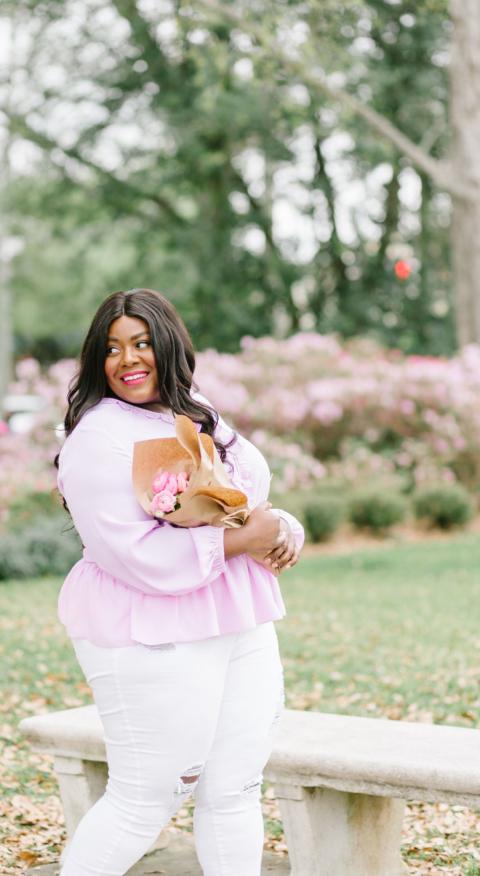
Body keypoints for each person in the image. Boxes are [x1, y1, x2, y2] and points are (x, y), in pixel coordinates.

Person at [56, 289, 305, 876]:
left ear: (168, 347)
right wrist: (239, 542)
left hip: (236, 616)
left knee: (235, 788)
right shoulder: (98, 438)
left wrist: (281, 526)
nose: (128, 359)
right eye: (112, 348)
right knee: (147, 796)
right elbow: (128, 554)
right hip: (153, 625)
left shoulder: (196, 411)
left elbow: (247, 495)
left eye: (141, 343)